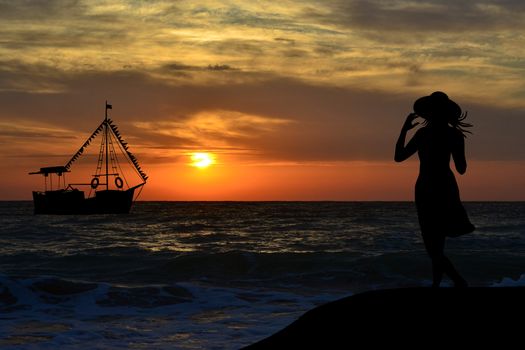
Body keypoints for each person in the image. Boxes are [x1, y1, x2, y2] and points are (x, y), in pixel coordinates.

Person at [395, 91, 475, 287]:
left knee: (432, 243)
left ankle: (459, 282)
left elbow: (399, 156)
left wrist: (404, 129)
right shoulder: (454, 134)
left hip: (426, 186)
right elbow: (462, 169)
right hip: (446, 186)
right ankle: (436, 285)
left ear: (428, 113)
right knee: (437, 243)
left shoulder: (423, 134)